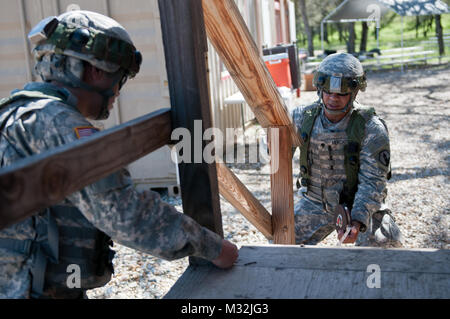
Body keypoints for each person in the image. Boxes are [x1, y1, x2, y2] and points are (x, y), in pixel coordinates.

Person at [0, 10, 238, 299]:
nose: (117, 93)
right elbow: (124, 213)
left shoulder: (13, 113)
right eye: (119, 78)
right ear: (96, 72)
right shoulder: (58, 124)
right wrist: (214, 247)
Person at [291, 52, 402, 247]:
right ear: (319, 89)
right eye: (328, 91)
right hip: (315, 202)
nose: (334, 98)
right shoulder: (301, 118)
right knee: (278, 246)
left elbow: (373, 182)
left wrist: (358, 220)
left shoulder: (370, 127)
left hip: (358, 203)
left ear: (354, 92)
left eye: (342, 93)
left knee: (386, 247)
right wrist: (269, 141)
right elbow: (272, 157)